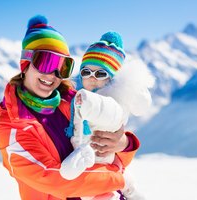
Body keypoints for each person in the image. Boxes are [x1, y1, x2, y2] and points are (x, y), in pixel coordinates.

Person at [0, 15, 140, 200]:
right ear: (25, 64)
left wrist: (123, 144)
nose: (52, 75)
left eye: (62, 67)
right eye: (46, 62)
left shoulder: (74, 101)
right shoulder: (11, 125)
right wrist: (120, 180)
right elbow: (56, 180)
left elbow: (111, 157)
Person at [60, 32, 153, 200]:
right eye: (86, 72)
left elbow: (106, 110)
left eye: (100, 74)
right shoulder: (73, 99)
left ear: (113, 79)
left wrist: (124, 142)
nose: (92, 78)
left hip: (99, 165)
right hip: (91, 169)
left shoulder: (109, 102)